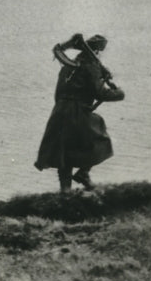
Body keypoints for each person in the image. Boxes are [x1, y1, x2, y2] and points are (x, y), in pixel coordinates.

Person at [34, 34, 124, 194]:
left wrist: (62, 108)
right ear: (97, 51)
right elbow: (100, 93)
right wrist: (118, 93)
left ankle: (65, 191)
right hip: (78, 111)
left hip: (59, 111)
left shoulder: (70, 65)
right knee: (100, 137)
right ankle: (83, 174)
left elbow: (58, 92)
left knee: (64, 151)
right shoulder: (91, 65)